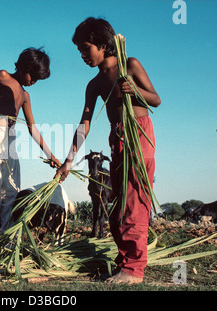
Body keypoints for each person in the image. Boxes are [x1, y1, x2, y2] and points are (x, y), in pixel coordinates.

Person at [55, 17, 161, 284]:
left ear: (103, 44)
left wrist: (134, 90)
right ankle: (124, 263)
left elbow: (156, 100)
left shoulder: (130, 65)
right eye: (79, 49)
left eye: (85, 47)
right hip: (117, 138)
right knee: (117, 205)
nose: (81, 54)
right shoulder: (94, 85)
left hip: (139, 134)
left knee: (134, 202)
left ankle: (134, 270)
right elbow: (84, 124)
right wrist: (68, 161)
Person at [0, 48, 61, 262]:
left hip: (10, 139)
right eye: (32, 76)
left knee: (11, 191)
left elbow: (33, 128)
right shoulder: (3, 76)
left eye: (37, 79)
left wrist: (51, 155)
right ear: (24, 67)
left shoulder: (25, 96)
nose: (33, 81)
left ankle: (5, 243)